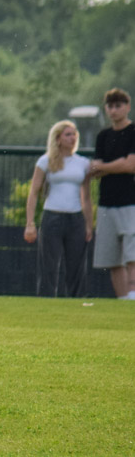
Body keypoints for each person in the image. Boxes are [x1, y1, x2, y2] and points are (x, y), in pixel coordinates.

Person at [23, 120, 92, 297]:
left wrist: (88, 224)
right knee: (48, 265)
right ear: (58, 138)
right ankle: (46, 300)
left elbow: (86, 197)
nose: (72, 138)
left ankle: (76, 302)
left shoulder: (83, 163)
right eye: (68, 134)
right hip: (52, 217)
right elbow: (34, 192)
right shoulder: (45, 161)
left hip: (75, 218)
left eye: (74, 134)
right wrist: (30, 223)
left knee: (76, 266)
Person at [87, 88, 135, 300]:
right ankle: (123, 299)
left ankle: (133, 294)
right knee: (112, 259)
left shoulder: (133, 131)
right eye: (110, 106)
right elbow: (94, 170)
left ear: (127, 107)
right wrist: (115, 165)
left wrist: (104, 167)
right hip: (106, 203)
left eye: (118, 106)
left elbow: (130, 165)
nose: (114, 110)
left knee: (132, 255)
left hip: (130, 202)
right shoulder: (103, 136)